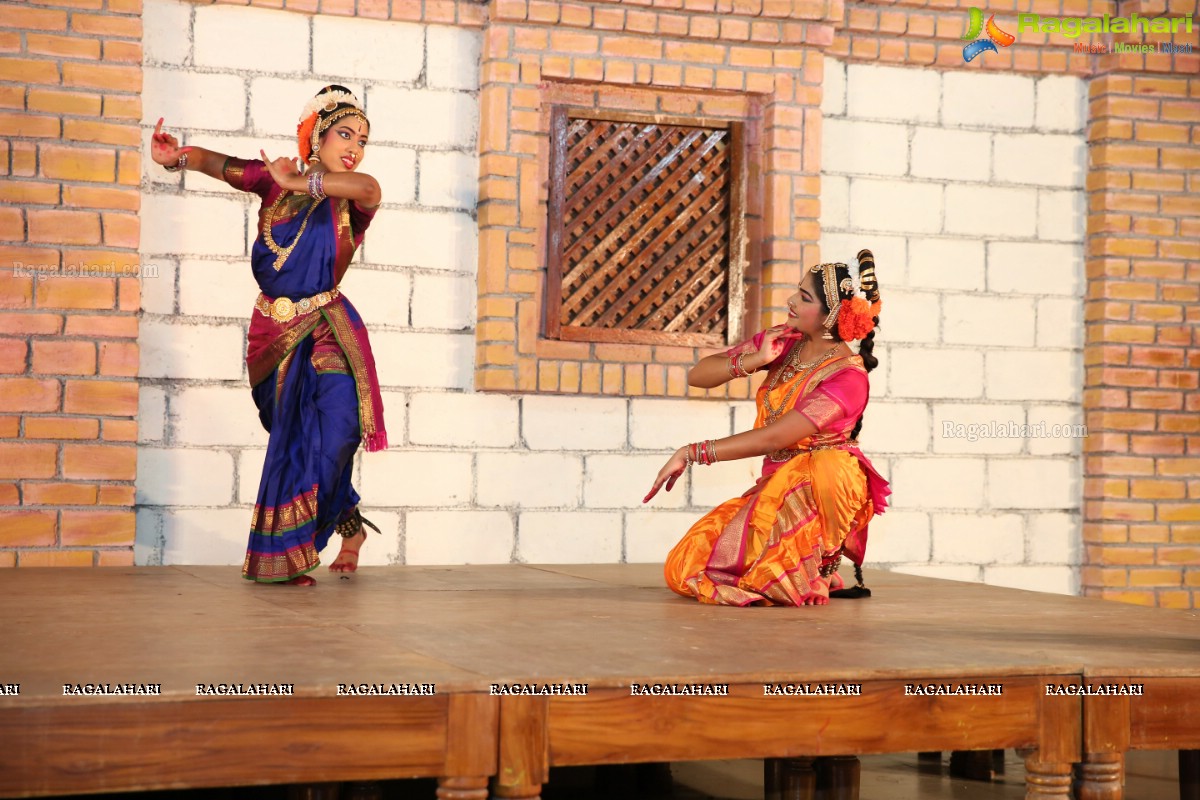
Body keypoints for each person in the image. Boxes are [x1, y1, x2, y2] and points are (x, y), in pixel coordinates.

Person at [150, 85, 388, 586]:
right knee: (299, 440)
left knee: (338, 432)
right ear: (318, 136)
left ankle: (295, 549)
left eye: (363, 139)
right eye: (345, 134)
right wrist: (177, 158)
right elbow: (222, 165)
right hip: (272, 334)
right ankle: (345, 526)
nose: (355, 146)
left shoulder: (350, 199)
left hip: (326, 327)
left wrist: (304, 183)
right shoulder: (273, 181)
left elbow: (368, 187)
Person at [645, 251, 891, 606]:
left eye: (804, 297)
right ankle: (797, 566)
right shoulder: (784, 344)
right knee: (683, 568)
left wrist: (692, 452)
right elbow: (699, 375)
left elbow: (776, 437)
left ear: (832, 315)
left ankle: (820, 568)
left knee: (828, 464)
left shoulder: (847, 377)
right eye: (797, 291)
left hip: (822, 487)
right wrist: (754, 360)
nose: (790, 301)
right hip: (775, 486)